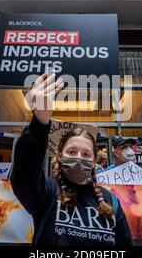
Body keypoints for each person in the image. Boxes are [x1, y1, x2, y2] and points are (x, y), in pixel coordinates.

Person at [10, 72, 134, 246]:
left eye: (85, 154)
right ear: (60, 157)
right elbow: (25, 172)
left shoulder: (110, 201)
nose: (78, 158)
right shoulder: (47, 192)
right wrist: (39, 122)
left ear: (93, 162)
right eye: (72, 151)